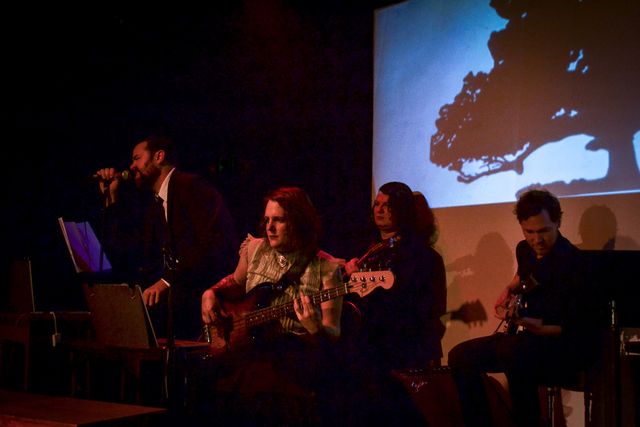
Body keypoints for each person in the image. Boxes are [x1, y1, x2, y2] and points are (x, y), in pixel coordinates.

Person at [193, 186, 345, 426]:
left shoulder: (326, 268)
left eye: (279, 220)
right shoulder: (255, 249)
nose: (269, 228)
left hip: (292, 364)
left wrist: (315, 328)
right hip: (247, 356)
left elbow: (333, 332)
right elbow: (235, 282)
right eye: (267, 220)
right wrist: (210, 292)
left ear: (297, 221)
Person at [447, 189, 597, 427]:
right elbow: (526, 277)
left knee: (516, 353)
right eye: (529, 232)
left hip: (560, 345)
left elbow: (570, 328)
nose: (537, 240)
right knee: (460, 355)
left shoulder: (575, 262)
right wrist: (509, 291)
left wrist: (531, 325)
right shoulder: (524, 250)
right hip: (526, 340)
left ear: (558, 221)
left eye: (544, 231)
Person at [94, 135, 238, 341]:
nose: (131, 166)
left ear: (159, 156)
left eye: (137, 158)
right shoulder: (155, 204)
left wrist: (166, 281)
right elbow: (131, 250)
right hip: (176, 308)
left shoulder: (192, 187)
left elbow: (212, 244)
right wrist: (112, 198)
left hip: (200, 305)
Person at [342, 181, 447, 425]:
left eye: (388, 206)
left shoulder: (422, 256)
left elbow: (414, 310)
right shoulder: (368, 250)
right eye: (377, 204)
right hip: (368, 346)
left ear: (403, 210)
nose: (379, 210)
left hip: (401, 349)